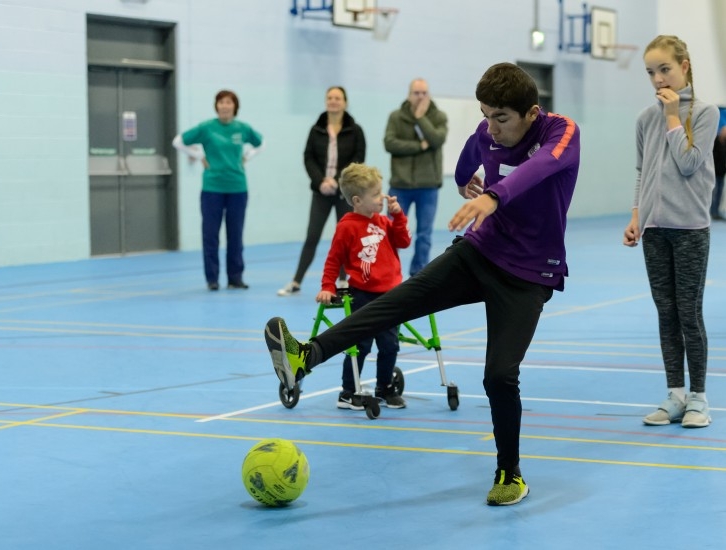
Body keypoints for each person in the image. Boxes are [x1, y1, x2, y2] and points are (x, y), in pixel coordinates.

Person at [265, 63, 580, 506]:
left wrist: (494, 195)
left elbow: (543, 165)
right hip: (480, 253)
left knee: (499, 376)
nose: (491, 127)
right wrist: (463, 182)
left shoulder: (561, 132)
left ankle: (510, 472)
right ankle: (305, 356)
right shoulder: (487, 131)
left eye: (501, 118)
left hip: (529, 274)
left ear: (530, 112)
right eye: (486, 115)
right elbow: (469, 158)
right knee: (395, 303)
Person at [623, 35, 719, 428]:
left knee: (688, 314)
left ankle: (699, 397)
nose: (658, 79)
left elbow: (689, 164)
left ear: (685, 67)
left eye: (665, 69)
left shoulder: (706, 113)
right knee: (666, 313)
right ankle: (675, 394)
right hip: (655, 231)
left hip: (690, 230)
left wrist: (674, 117)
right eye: (651, 72)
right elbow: (642, 173)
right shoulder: (645, 118)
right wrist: (636, 215)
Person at [315, 163, 411, 410]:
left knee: (390, 345)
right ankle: (348, 392)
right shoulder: (347, 226)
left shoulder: (383, 221)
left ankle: (385, 388)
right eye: (376, 194)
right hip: (363, 295)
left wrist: (398, 216)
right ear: (357, 200)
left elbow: (404, 241)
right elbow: (334, 259)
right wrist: (328, 286)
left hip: (391, 294)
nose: (382, 197)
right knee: (360, 345)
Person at [277, 86, 366, 296]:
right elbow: (308, 158)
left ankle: (344, 281)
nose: (333, 101)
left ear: (345, 102)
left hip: (345, 191)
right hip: (321, 192)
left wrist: (337, 181)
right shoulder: (316, 129)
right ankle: (296, 281)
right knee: (312, 235)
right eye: (330, 98)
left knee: (344, 237)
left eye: (337, 98)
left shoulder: (355, 130)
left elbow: (359, 158)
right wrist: (321, 182)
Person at [173, 89, 264, 291]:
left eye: (228, 102)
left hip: (237, 187)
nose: (224, 106)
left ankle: (235, 278)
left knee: (235, 235)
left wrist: (248, 156)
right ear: (216, 106)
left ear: (235, 106)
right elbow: (178, 141)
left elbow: (261, 142)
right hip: (212, 188)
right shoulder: (206, 128)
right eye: (221, 102)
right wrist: (197, 155)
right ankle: (212, 278)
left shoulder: (242, 128)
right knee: (210, 234)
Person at [383, 78, 448, 276]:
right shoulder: (396, 117)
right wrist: (419, 147)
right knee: (391, 231)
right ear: (409, 95)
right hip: (400, 186)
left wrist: (421, 118)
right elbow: (390, 143)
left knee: (424, 235)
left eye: (424, 93)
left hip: (428, 186)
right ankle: (387, 271)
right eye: (416, 93)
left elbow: (437, 139)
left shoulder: (438, 116)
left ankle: (418, 274)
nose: (420, 97)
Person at [711, 107, 726, 220]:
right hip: (714, 171)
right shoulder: (715, 142)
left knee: (719, 192)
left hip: (721, 172)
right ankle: (712, 211)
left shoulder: (725, 143)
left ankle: (716, 211)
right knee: (713, 192)